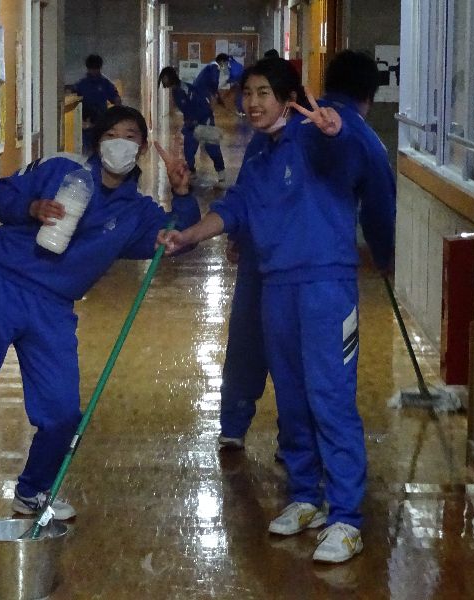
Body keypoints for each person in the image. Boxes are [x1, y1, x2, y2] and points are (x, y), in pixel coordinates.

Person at [0, 105, 199, 543]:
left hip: (53, 307)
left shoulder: (135, 212)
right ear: (97, 141)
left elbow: (176, 239)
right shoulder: (60, 169)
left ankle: (32, 490)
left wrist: (182, 194)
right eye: (111, 135)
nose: (120, 144)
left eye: (130, 136)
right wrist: (31, 207)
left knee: (62, 411)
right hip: (0, 285)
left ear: (142, 148)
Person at [158, 57, 395, 564]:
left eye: (264, 93)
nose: (252, 103)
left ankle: (346, 517)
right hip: (275, 284)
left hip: (325, 285)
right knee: (291, 395)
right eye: (248, 93)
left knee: (330, 397)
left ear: (289, 98)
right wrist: (190, 235)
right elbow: (237, 207)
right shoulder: (261, 152)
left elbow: (349, 161)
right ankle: (306, 496)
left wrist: (336, 133)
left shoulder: (316, 137)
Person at [218, 50, 396, 453]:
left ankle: (234, 424)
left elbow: (250, 184)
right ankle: (298, 446)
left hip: (264, 255)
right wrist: (384, 257)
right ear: (370, 96)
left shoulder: (284, 122)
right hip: (317, 267)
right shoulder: (363, 137)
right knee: (315, 366)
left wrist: (240, 234)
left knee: (252, 338)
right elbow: (379, 206)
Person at [159, 66, 226, 186]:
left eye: (165, 78)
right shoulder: (175, 92)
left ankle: (221, 174)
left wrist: (201, 118)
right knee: (188, 150)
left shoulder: (185, 88)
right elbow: (186, 109)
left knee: (212, 148)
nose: (164, 82)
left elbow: (200, 104)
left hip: (204, 120)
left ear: (171, 77)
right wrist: (189, 121)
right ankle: (191, 172)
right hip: (191, 124)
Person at [70, 54, 123, 153]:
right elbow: (72, 103)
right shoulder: (80, 85)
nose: (94, 71)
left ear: (100, 68)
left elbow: (116, 100)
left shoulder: (105, 84)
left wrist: (116, 118)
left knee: (101, 150)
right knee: (87, 151)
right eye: (92, 68)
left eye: (96, 68)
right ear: (88, 68)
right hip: (85, 124)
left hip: (101, 122)